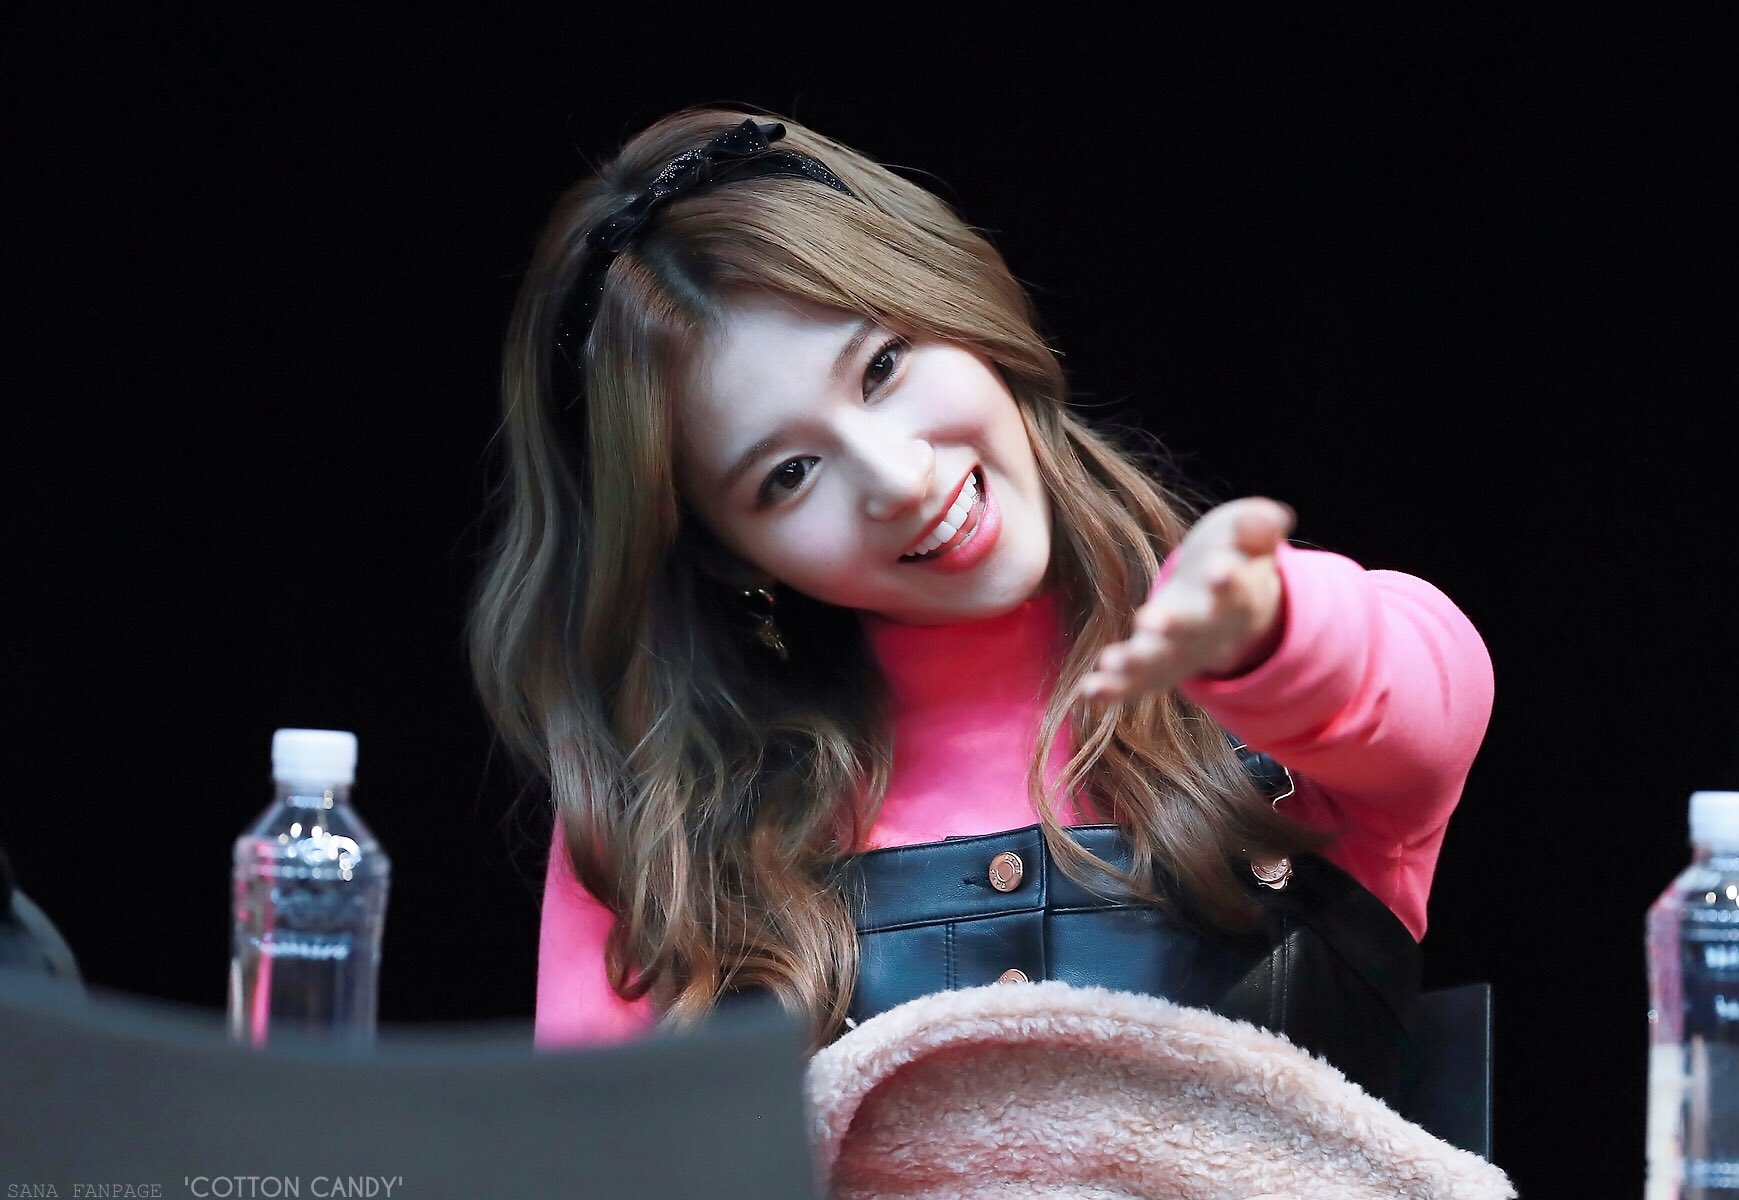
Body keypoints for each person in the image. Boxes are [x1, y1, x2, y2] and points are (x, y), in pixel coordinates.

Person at [467, 107, 1494, 1096]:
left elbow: (1425, 691)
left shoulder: (1292, 677)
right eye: (788, 475)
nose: (898, 477)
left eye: (883, 365)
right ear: (730, 556)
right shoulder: (662, 821)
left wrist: (1266, 634)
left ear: (960, 305)